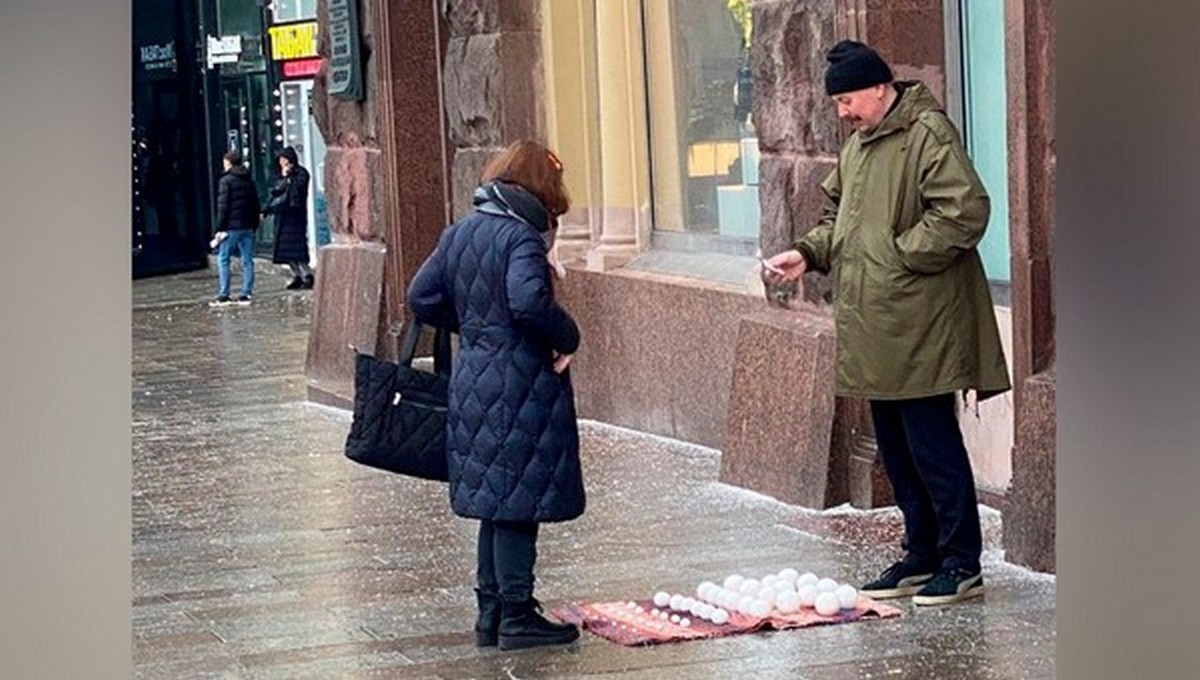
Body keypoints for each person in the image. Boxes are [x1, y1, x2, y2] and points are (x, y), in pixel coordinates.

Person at [764, 41, 1011, 606]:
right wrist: (806, 253)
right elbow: (839, 221)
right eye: (837, 103)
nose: (843, 112)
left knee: (933, 446)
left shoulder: (928, 134)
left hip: (920, 322)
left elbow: (964, 209)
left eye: (848, 99)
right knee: (897, 452)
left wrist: (898, 255)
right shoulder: (860, 148)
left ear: (881, 88)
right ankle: (921, 554)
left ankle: (960, 561)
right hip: (875, 323)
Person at [407, 140, 584, 650]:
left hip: (474, 377)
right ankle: (517, 616)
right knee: (517, 503)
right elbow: (528, 300)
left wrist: (477, 327)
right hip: (518, 381)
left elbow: (422, 295)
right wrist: (566, 336)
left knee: (496, 500)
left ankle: (491, 612)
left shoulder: (462, 231)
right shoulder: (520, 238)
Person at [210, 151, 261, 307]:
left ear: (228, 163)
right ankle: (246, 293)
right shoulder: (249, 180)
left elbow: (223, 206)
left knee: (223, 258)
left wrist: (219, 227)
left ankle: (224, 294)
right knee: (247, 260)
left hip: (231, 226)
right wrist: (254, 224)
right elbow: (255, 203)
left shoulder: (226, 181)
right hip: (247, 226)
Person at [262, 147, 313, 290]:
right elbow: (275, 192)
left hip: (295, 216)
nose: (282, 163)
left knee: (297, 248)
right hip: (282, 216)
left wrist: (289, 178)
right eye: (280, 160)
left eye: (285, 160)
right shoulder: (279, 175)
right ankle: (296, 275)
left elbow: (297, 191)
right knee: (286, 250)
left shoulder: (301, 173)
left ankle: (306, 274)